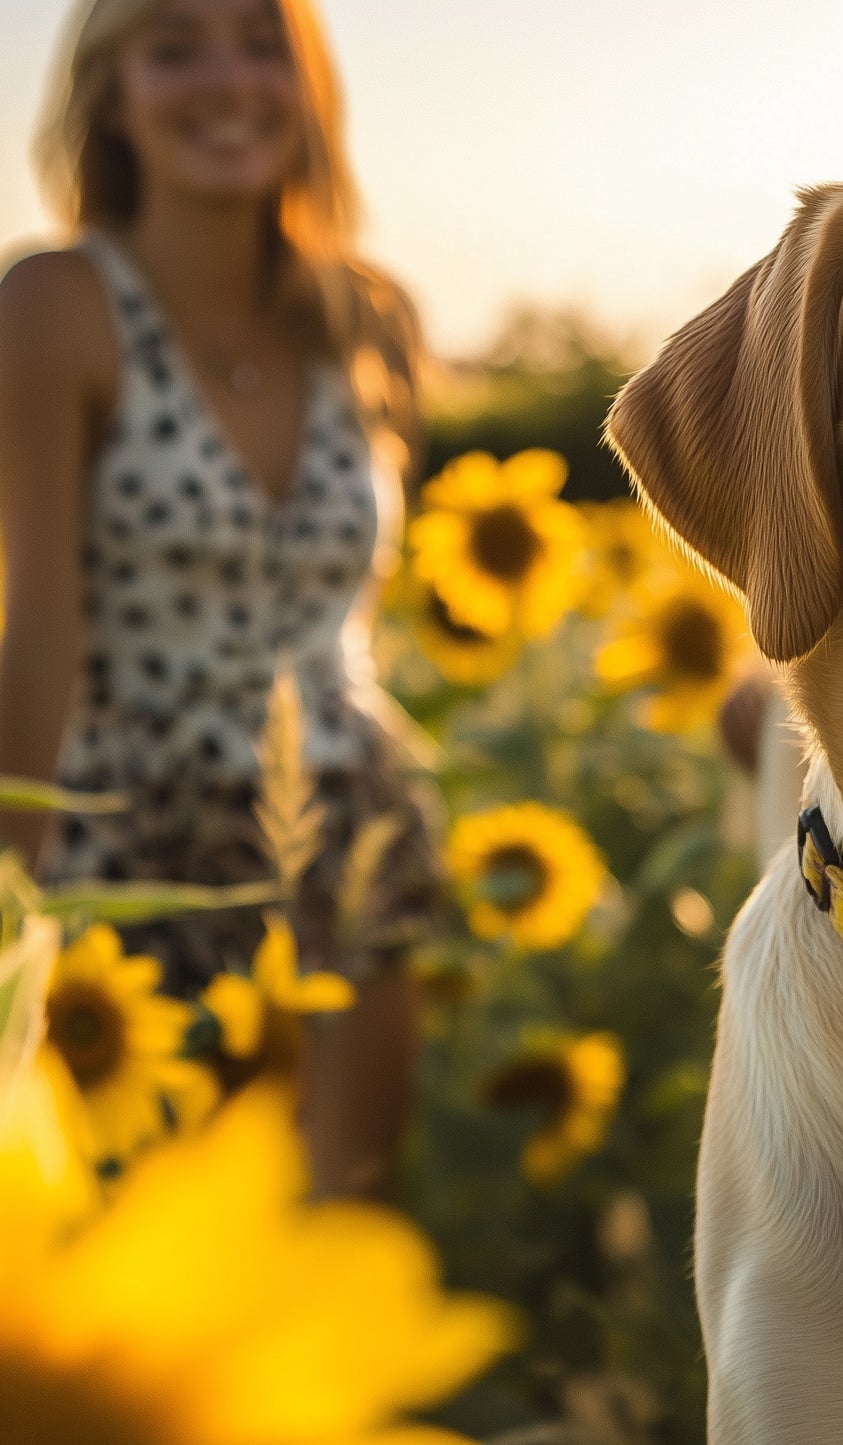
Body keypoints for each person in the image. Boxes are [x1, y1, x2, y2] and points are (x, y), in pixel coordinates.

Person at [0, 0, 440, 1195]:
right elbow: (36, 622)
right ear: (112, 91)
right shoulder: (54, 304)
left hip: (345, 838)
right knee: (126, 1277)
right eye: (173, 46)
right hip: (133, 843)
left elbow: (354, 601)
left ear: (306, 84)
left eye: (258, 41)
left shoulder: (371, 317)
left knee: (337, 1243)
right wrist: (8, 899)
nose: (225, 80)